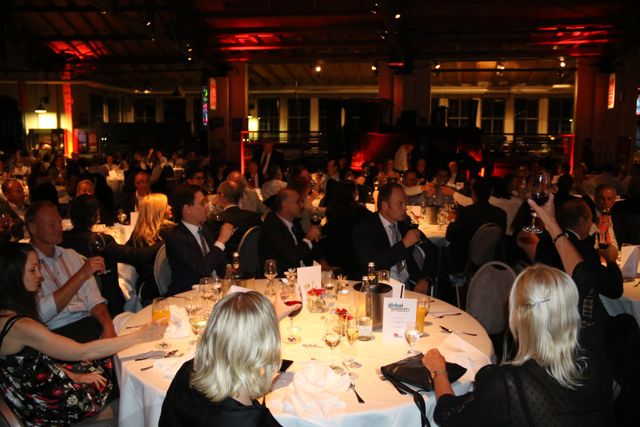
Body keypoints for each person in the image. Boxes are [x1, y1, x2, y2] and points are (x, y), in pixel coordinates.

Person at [422, 261, 612, 426]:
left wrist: (439, 372)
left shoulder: (510, 383)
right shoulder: (594, 349)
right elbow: (586, 280)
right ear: (570, 310)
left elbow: (448, 416)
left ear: (517, 317)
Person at [0, 242, 167, 426]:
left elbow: (35, 361)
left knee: (115, 364)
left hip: (38, 393)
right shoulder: (21, 327)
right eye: (33, 270)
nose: (40, 275)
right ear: (12, 277)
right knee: (126, 369)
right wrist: (142, 335)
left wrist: (74, 376)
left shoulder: (7, 316)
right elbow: (82, 351)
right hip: (49, 405)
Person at [159, 291, 298, 427]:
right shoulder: (250, 420)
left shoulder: (188, 372)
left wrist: (267, 321)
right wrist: (267, 326)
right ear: (268, 346)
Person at [26, 201, 117, 343]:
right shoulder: (25, 265)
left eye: (59, 222)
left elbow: (95, 300)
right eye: (52, 224)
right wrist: (81, 275)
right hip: (57, 335)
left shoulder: (71, 255)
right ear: (33, 227)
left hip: (90, 324)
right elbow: (40, 314)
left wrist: (108, 327)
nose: (59, 228)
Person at [61, 195, 159, 314]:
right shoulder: (101, 240)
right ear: (95, 216)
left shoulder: (62, 240)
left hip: (70, 301)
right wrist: (164, 244)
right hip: (104, 303)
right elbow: (137, 256)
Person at [352, 183, 438, 292]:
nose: (405, 208)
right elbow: (371, 264)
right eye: (400, 204)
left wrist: (425, 278)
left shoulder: (404, 223)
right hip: (379, 289)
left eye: (405, 203)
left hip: (409, 286)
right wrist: (404, 244)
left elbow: (432, 249)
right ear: (385, 206)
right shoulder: (365, 228)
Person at [164, 185, 234, 295]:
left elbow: (219, 262)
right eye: (202, 203)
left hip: (215, 290)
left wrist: (231, 273)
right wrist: (221, 241)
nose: (207, 206)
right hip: (189, 295)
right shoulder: (176, 238)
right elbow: (202, 269)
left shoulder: (205, 229)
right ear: (187, 209)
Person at [445, 177, 507, 272]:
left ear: (473, 193)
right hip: (491, 257)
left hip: (466, 259)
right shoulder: (501, 214)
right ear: (490, 193)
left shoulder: (466, 212)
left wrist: (452, 222)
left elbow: (450, 237)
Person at [259, 188, 324, 275]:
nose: (302, 206)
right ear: (285, 205)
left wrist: (322, 261)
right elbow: (292, 256)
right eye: (298, 202)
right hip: (282, 277)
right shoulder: (272, 226)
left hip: (302, 273)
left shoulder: (293, 223)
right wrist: (309, 237)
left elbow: (310, 245)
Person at [126, 193, 175, 303]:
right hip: (167, 288)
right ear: (158, 210)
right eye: (166, 205)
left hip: (146, 289)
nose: (170, 207)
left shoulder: (138, 235)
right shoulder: (171, 232)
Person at [207, 180, 261, 257]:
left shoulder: (217, 221)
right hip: (254, 260)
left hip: (229, 261)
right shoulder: (254, 217)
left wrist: (212, 206)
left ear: (221, 196)